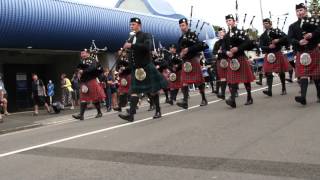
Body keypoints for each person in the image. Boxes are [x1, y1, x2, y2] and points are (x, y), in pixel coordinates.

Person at [118, 17, 167, 122]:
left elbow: (147, 47)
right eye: (130, 25)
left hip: (146, 66)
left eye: (133, 24)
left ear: (139, 25)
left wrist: (131, 45)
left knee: (153, 91)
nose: (131, 26)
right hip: (136, 69)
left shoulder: (146, 35)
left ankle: (158, 110)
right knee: (134, 91)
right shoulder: (131, 38)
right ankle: (131, 115)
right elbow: (132, 56)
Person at [288, 3, 320, 105]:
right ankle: (303, 97)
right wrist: (298, 42)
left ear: (305, 10)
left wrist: (312, 34)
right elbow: (290, 38)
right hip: (301, 52)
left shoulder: (314, 21)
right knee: (303, 75)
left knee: (316, 75)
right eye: (297, 11)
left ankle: (319, 94)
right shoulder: (293, 26)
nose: (299, 12)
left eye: (301, 10)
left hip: (313, 49)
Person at [223, 14, 255, 108]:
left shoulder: (241, 32)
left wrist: (238, 48)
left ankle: (249, 97)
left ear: (234, 21)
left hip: (240, 57)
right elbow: (224, 48)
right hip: (232, 60)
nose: (229, 22)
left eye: (230, 20)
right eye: (227, 21)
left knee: (245, 79)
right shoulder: (226, 36)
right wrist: (227, 52)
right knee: (232, 80)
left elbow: (248, 42)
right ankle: (232, 99)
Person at [176, 18, 209, 109]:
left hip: (193, 59)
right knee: (184, 82)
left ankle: (203, 99)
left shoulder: (193, 35)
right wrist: (180, 53)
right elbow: (178, 50)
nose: (182, 27)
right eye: (180, 26)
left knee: (198, 80)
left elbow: (199, 45)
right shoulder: (180, 39)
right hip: (185, 62)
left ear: (187, 25)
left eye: (183, 25)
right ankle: (185, 101)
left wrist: (188, 49)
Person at [72, 49, 105, 120]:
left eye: (83, 53)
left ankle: (99, 112)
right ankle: (81, 115)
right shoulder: (81, 61)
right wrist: (78, 72)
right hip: (84, 81)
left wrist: (83, 71)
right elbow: (77, 69)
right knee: (83, 98)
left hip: (91, 80)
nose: (82, 55)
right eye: (81, 54)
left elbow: (93, 68)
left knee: (95, 98)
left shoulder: (92, 60)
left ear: (88, 53)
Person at [260, 18, 289, 96]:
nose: (265, 25)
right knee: (268, 72)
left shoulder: (277, 30)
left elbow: (285, 37)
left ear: (270, 23)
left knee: (281, 72)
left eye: (267, 23)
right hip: (269, 55)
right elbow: (261, 46)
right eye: (264, 23)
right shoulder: (263, 36)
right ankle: (269, 90)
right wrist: (269, 47)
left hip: (277, 52)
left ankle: (283, 88)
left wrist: (278, 40)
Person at [213, 27, 228, 99]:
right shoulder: (217, 43)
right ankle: (223, 94)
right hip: (220, 61)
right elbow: (213, 52)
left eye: (222, 32)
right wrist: (217, 52)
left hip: (228, 60)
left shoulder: (228, 41)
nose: (220, 34)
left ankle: (235, 91)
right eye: (219, 33)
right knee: (222, 78)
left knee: (230, 77)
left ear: (225, 33)